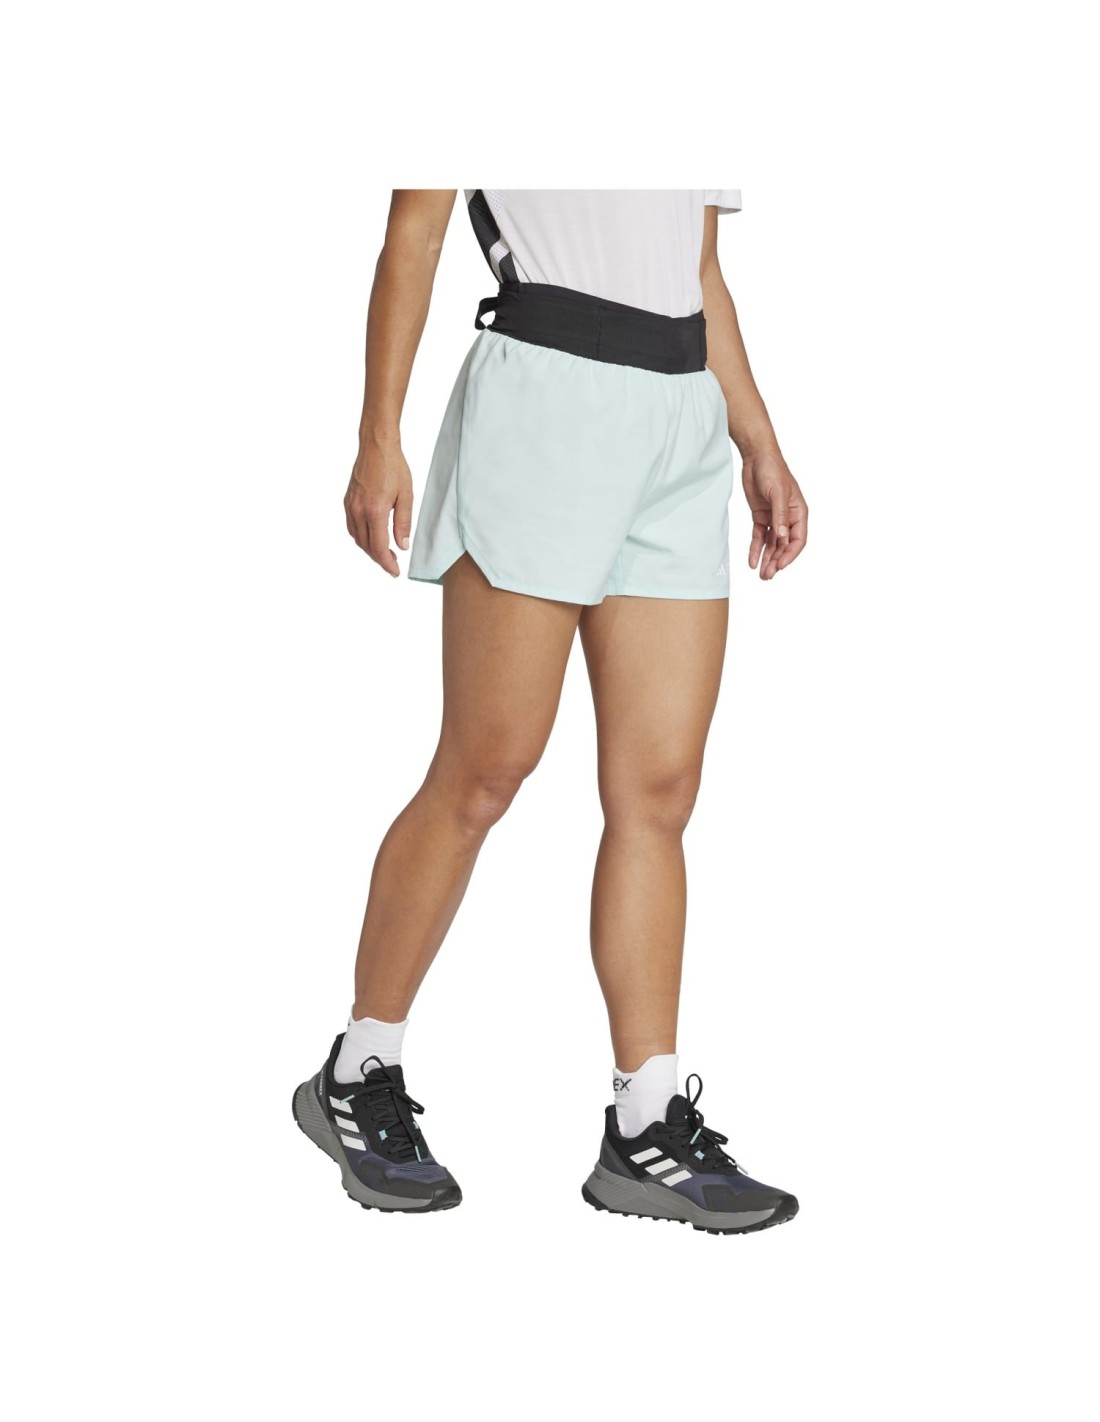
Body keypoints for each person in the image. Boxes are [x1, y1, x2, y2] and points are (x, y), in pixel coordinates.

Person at [292, 189, 808, 1234]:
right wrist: (378, 434)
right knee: (485, 769)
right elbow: (415, 230)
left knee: (659, 791)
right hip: (545, 394)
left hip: (680, 416)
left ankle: (646, 1121)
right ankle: (356, 1070)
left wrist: (757, 438)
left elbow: (698, 272)